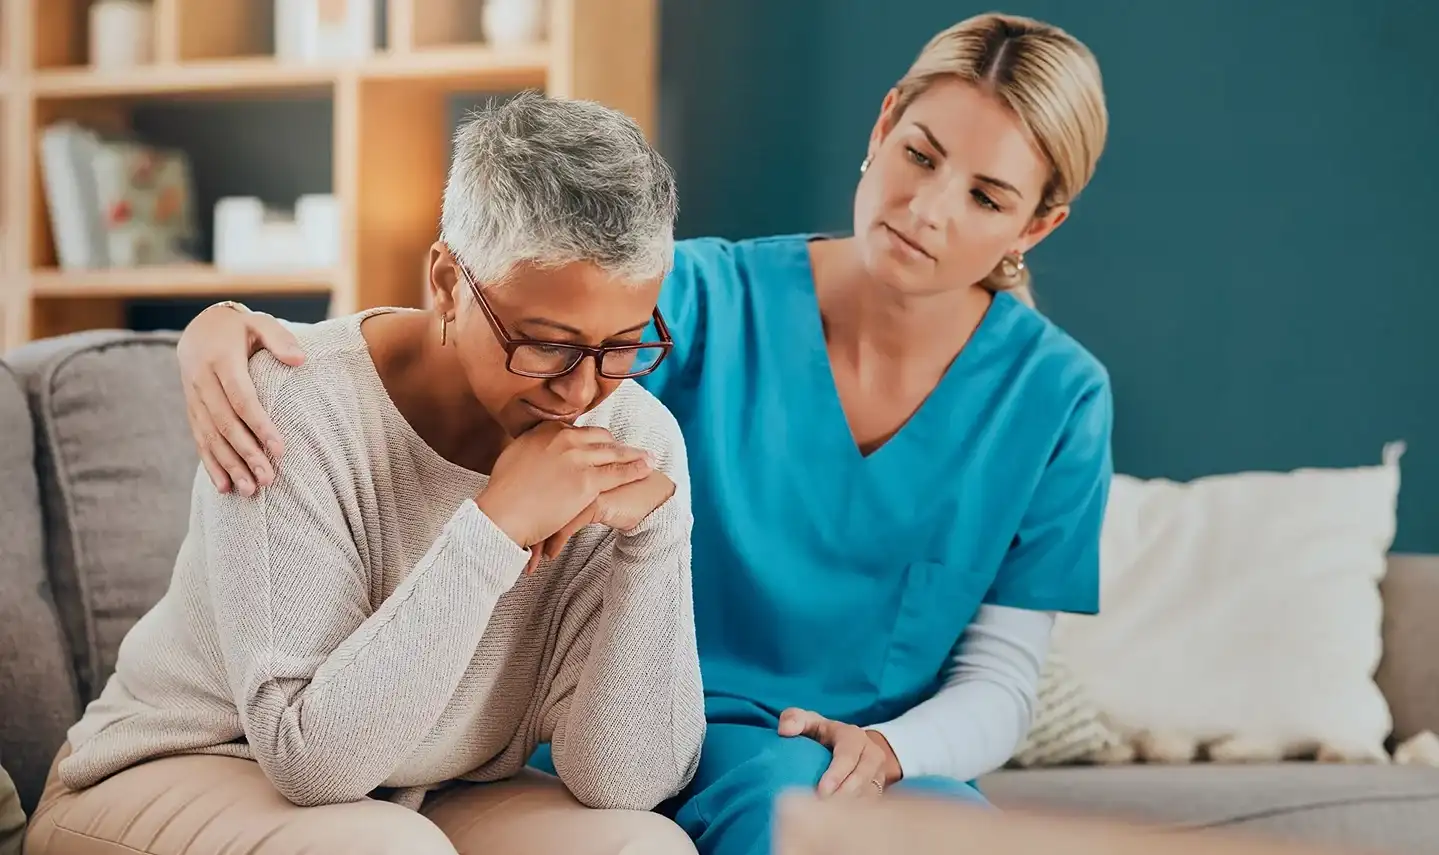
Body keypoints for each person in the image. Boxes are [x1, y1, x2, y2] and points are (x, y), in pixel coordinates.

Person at [170, 12, 1113, 855]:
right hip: (670, 726)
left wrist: (896, 749)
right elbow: (492, 317)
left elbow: (1002, 676)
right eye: (920, 153)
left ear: (1041, 223)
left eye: (987, 196)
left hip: (887, 756)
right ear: (882, 125)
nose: (930, 207)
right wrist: (231, 328)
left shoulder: (1058, 396)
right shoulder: (698, 296)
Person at [23, 92, 706, 855]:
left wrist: (655, 538)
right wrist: (494, 528)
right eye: (546, 344)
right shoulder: (295, 400)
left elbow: (626, 780)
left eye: (621, 345)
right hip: (183, 766)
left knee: (642, 846)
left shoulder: (633, 436)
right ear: (447, 283)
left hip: (426, 793)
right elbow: (308, 758)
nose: (582, 391)